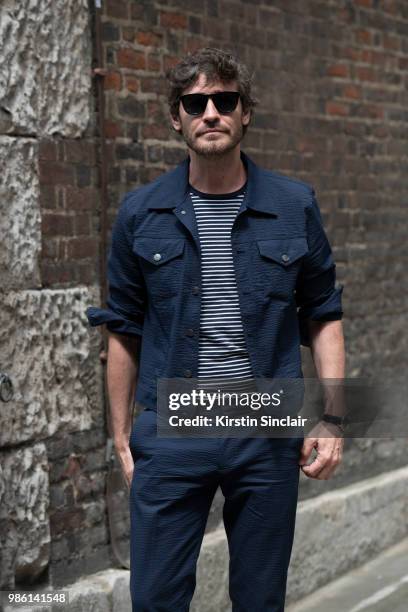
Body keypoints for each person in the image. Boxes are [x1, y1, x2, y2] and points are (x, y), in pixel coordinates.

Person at [86, 47, 346, 612]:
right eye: (195, 102)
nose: (211, 112)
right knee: (155, 598)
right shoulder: (140, 213)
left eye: (224, 100)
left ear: (244, 112)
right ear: (176, 116)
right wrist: (123, 438)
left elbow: (323, 312)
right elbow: (123, 329)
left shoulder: (293, 204)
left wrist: (332, 416)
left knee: (259, 599)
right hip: (175, 421)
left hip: (263, 421)